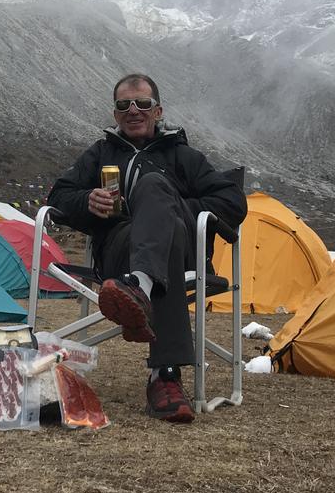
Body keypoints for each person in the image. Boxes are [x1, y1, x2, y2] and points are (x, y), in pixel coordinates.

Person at [47, 73, 245, 423]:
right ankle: (164, 377)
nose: (133, 111)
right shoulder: (100, 154)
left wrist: (170, 209)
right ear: (115, 114)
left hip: (181, 249)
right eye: (124, 105)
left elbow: (232, 202)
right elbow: (59, 196)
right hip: (118, 253)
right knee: (156, 239)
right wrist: (86, 201)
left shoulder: (184, 157)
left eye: (143, 104)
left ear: (158, 111)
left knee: (156, 189)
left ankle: (139, 287)